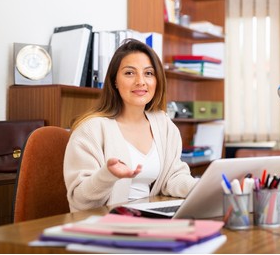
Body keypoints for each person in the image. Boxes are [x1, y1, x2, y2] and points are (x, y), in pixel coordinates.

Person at [64, 38, 197, 212]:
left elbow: (172, 177)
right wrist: (107, 175)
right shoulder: (91, 130)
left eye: (148, 73)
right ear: (114, 82)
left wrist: (206, 187)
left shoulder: (163, 124)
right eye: (129, 73)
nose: (141, 81)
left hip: (149, 218)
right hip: (105, 223)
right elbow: (80, 199)